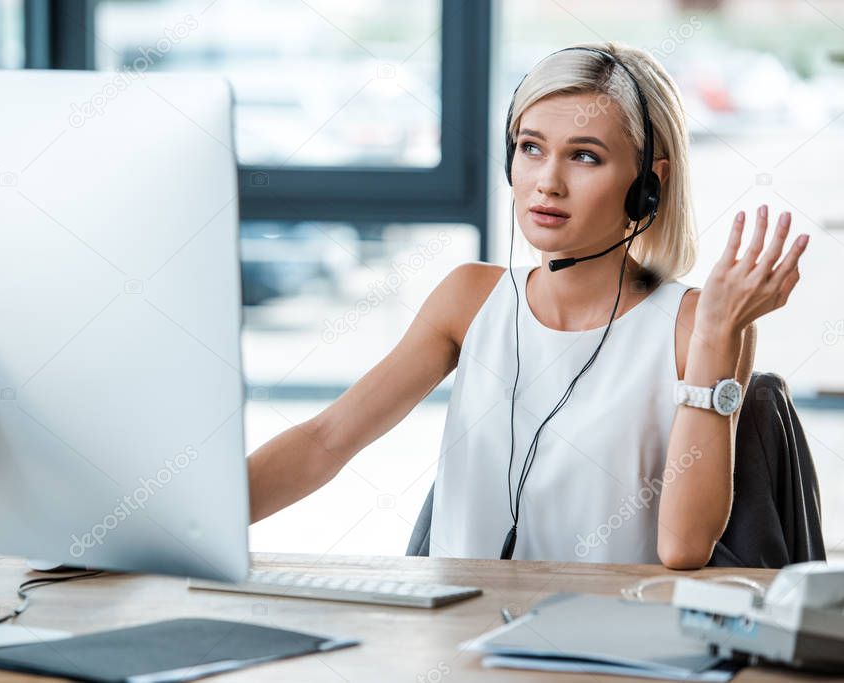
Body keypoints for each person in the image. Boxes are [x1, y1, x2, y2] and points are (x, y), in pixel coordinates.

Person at [246, 41, 809, 570]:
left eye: (585, 157)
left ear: (648, 184)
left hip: (606, 650)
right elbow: (326, 441)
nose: (547, 182)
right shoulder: (468, 299)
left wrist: (716, 334)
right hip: (455, 638)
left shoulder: (694, 325)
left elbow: (684, 546)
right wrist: (189, 528)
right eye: (531, 148)